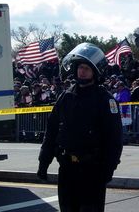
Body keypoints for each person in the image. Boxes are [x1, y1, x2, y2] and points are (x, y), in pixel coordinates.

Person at [37, 42, 123, 212]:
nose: (81, 71)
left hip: (93, 170)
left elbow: (114, 138)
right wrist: (44, 162)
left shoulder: (105, 100)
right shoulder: (66, 96)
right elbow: (52, 130)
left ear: (95, 71)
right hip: (67, 168)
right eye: (79, 67)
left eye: (86, 68)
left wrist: (108, 169)